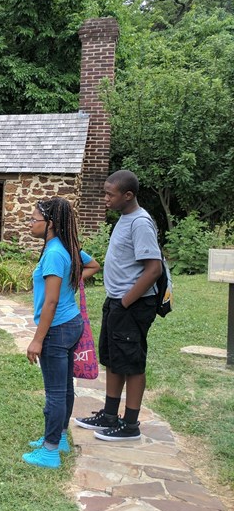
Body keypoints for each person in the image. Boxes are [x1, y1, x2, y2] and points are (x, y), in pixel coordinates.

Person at [74, 170, 162, 441]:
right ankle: (110, 414)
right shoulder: (124, 219)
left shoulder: (140, 223)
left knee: (132, 363)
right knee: (114, 359)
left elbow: (154, 269)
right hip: (117, 302)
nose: (105, 199)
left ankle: (131, 424)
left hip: (132, 306)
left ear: (128, 195)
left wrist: (125, 302)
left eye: (109, 194)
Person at [22, 198, 100, 469]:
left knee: (55, 392)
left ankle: (50, 451)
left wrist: (37, 339)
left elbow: (51, 302)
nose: (30, 223)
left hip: (57, 328)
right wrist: (72, 279)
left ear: (50, 224)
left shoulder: (55, 252)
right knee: (65, 387)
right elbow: (92, 265)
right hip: (72, 323)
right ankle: (60, 437)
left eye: (34, 219)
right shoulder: (66, 246)